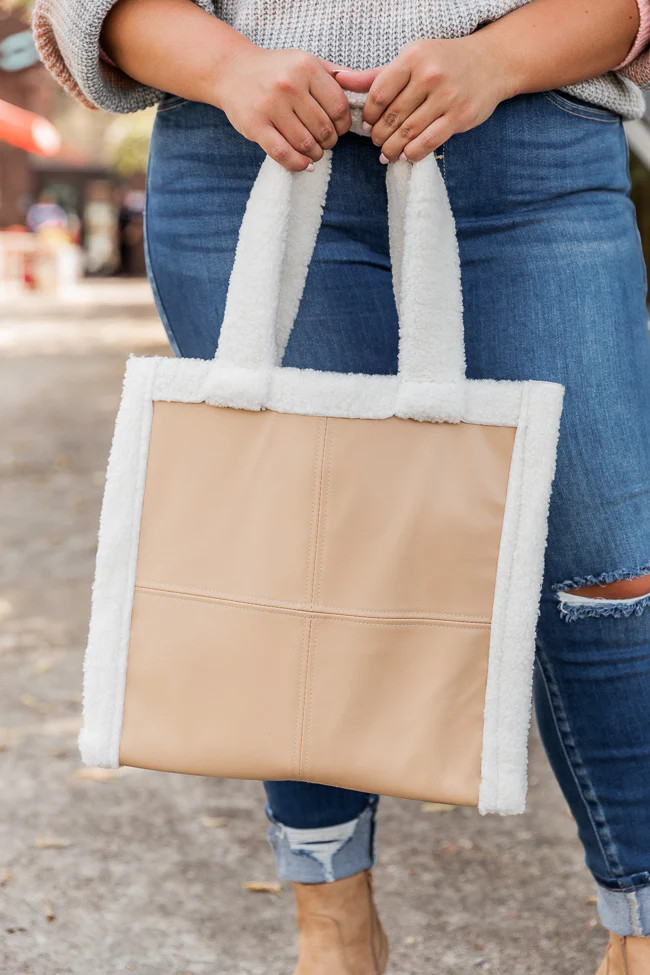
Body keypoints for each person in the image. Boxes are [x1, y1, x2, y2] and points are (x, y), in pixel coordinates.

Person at [33, 1, 650, 971]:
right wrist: (230, 68)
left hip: (531, 150)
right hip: (249, 143)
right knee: (302, 552)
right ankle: (333, 926)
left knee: (606, 574)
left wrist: (494, 59)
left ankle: (639, 928)